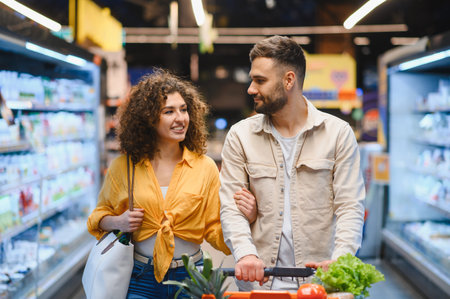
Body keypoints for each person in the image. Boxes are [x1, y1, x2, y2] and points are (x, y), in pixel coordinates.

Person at [87, 69, 251, 298]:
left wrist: (246, 224)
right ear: (149, 118)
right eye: (169, 111)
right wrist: (119, 221)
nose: (180, 118)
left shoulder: (204, 167)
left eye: (184, 110)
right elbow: (97, 217)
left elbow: (214, 228)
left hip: (191, 277)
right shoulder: (124, 167)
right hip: (138, 278)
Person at [219, 35, 365, 292]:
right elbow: (231, 208)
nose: (251, 89)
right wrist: (245, 254)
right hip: (259, 281)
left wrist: (341, 259)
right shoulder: (240, 136)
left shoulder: (337, 134)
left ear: (289, 80)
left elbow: (349, 206)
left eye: (260, 80)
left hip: (319, 281)